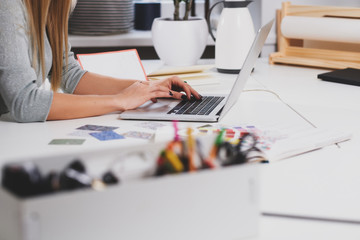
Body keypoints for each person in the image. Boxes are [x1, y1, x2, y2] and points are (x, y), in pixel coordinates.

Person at [0, 0, 201, 123]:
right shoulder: (8, 6)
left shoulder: (55, 5)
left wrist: (148, 88)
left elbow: (68, 73)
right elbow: (24, 102)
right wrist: (119, 101)